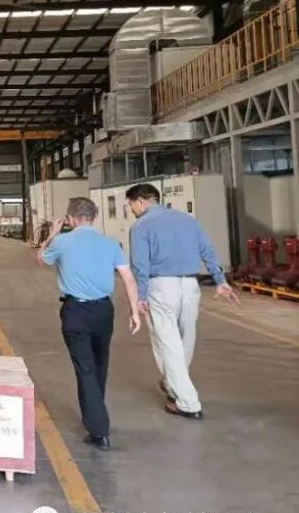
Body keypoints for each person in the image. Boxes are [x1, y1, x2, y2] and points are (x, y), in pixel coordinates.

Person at [126, 183, 239, 420]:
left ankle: (188, 402)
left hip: (161, 287)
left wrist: (141, 296)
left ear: (141, 201)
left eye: (131, 205)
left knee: (167, 344)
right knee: (186, 340)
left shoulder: (141, 226)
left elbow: (140, 265)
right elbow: (207, 250)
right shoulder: (188, 221)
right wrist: (220, 280)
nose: (132, 210)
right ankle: (171, 383)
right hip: (190, 286)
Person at [37, 197, 141, 450]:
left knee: (85, 369)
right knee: (99, 365)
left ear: (70, 219)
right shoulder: (110, 243)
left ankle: (99, 429)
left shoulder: (62, 241)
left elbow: (40, 259)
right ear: (94, 217)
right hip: (104, 311)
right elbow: (128, 278)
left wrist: (51, 235)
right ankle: (95, 416)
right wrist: (135, 312)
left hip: (76, 312)